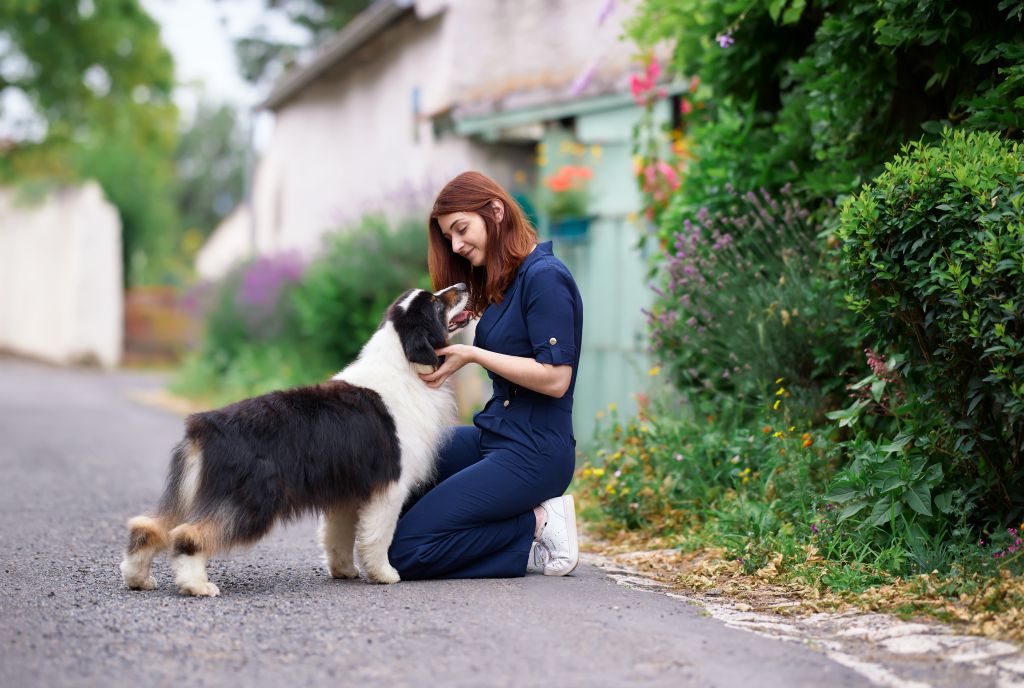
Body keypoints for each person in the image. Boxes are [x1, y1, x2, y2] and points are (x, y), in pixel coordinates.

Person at [387, 170, 584, 579]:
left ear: (495, 210)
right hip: (494, 435)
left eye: (461, 230)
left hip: (535, 453)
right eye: (449, 238)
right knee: (392, 483)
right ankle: (500, 531)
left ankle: (537, 523)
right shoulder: (504, 284)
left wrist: (475, 354)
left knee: (406, 552)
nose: (456, 246)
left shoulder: (545, 277)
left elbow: (555, 378)